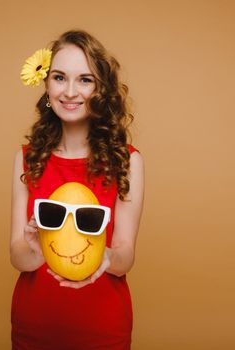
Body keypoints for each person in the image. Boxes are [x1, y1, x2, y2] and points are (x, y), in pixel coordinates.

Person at [10, 29, 144, 349]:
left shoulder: (128, 161)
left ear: (101, 89)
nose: (70, 91)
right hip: (34, 325)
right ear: (46, 85)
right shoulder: (27, 159)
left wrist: (107, 259)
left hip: (103, 328)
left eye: (85, 79)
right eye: (60, 77)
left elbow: (126, 253)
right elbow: (17, 254)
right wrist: (34, 248)